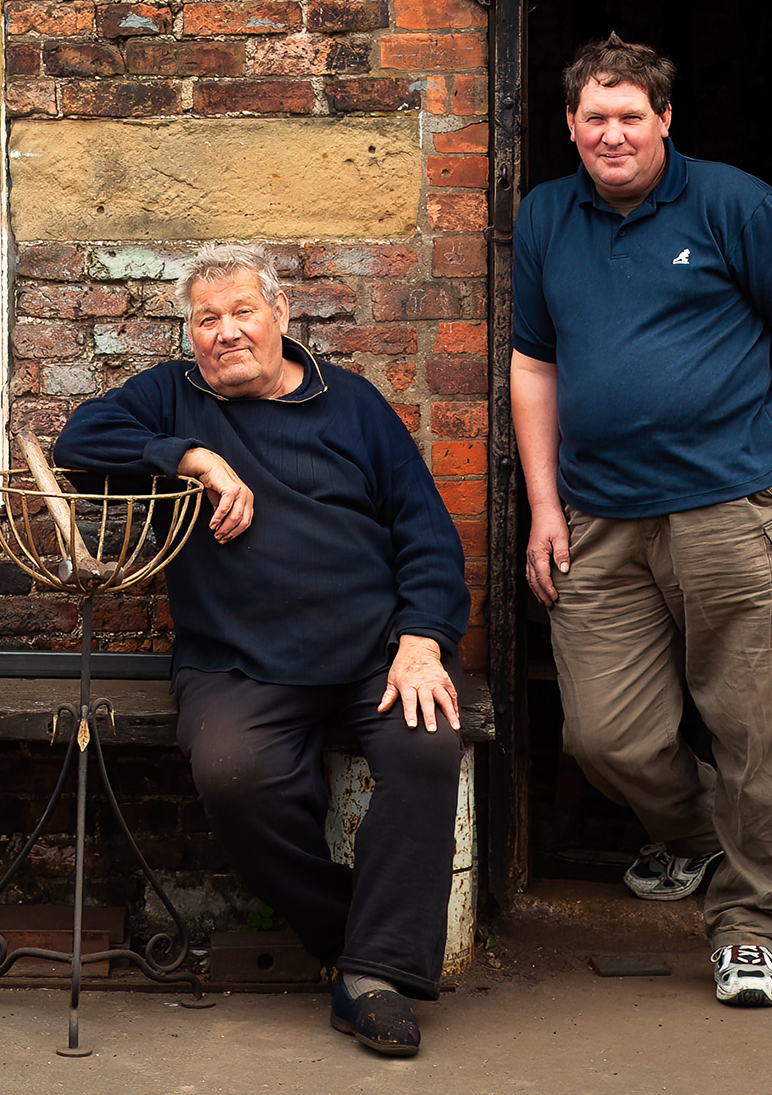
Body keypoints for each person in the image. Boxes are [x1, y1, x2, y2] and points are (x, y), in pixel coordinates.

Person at [53, 242, 469, 1057]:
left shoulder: (352, 404)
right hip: (234, 658)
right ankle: (361, 945)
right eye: (206, 319)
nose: (226, 332)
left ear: (280, 313)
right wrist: (193, 457)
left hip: (374, 652)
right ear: (190, 334)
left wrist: (422, 640)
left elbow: (426, 535)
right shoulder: (170, 397)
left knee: (428, 743)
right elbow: (80, 440)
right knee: (233, 775)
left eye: (243, 310)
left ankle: (372, 979)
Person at [510, 34, 772, 1009]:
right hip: (599, 514)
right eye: (594, 117)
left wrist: (744, 412)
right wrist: (543, 504)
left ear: (665, 119)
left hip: (732, 508)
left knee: (752, 728)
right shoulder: (545, 215)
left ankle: (749, 927)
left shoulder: (734, 204)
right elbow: (534, 362)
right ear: (570, 125)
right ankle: (700, 835)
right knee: (604, 735)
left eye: (631, 115)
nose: (612, 134)